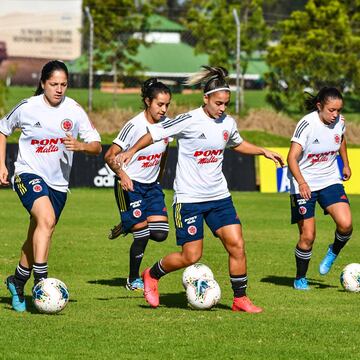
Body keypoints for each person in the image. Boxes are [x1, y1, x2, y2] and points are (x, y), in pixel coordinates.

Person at [117, 66, 284, 312]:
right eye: (218, 103)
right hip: (189, 199)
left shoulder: (228, 122)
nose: (222, 108)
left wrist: (263, 151)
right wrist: (131, 151)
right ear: (205, 99)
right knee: (190, 256)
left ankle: (240, 299)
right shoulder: (189, 120)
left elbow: (236, 143)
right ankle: (151, 275)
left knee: (237, 244)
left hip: (219, 197)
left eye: (226, 103)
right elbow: (154, 133)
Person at [0, 60, 102, 311]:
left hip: (58, 184)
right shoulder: (28, 107)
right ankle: (41, 284)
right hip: (27, 174)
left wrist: (82, 146)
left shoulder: (75, 110)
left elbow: (97, 145)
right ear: (43, 83)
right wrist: (1, 164)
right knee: (46, 220)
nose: (59, 89)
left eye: (64, 84)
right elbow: (2, 129)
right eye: (54, 84)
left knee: (38, 232)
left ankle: (17, 281)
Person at [104, 78, 171, 291]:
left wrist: (159, 177)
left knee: (160, 234)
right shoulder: (133, 125)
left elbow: (165, 153)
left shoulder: (166, 125)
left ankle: (127, 224)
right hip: (130, 186)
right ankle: (133, 279)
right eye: (160, 104)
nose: (164, 109)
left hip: (152, 187)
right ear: (147, 101)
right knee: (141, 234)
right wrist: (122, 174)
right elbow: (109, 155)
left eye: (167, 105)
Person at [287, 87, 353, 290]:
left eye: (339, 110)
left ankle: (333, 251)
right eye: (331, 110)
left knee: (346, 224)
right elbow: (291, 158)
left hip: (329, 180)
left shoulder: (339, 122)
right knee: (308, 236)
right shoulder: (307, 124)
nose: (335, 115)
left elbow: (340, 139)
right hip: (303, 183)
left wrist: (346, 163)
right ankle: (300, 278)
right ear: (319, 106)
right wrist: (302, 183)